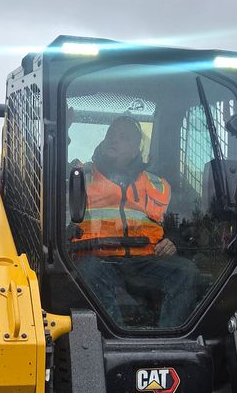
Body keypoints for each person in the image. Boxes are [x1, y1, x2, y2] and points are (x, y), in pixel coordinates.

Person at [71, 115, 198, 328]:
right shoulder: (80, 176)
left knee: (186, 272)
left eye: (123, 137)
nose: (114, 139)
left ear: (135, 150)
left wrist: (173, 240)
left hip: (145, 261)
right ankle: (115, 337)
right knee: (87, 270)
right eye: (111, 134)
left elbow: (180, 222)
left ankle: (167, 337)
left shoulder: (158, 185)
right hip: (97, 257)